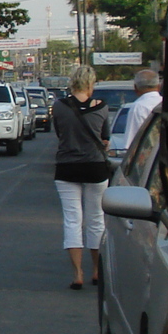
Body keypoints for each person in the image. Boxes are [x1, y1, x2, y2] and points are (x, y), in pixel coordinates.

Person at [52, 64, 113, 290]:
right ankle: (97, 270)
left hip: (66, 167)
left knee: (72, 219)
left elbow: (60, 134)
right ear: (90, 84)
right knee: (96, 218)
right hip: (95, 167)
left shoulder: (59, 106)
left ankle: (77, 273)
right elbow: (105, 138)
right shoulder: (103, 107)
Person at [122, 68, 163, 150]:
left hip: (149, 158)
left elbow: (132, 142)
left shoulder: (138, 107)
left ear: (135, 88)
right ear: (159, 86)